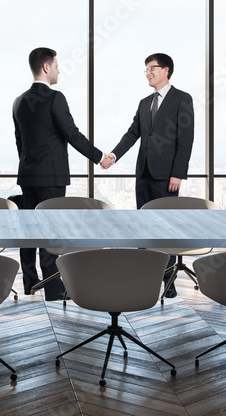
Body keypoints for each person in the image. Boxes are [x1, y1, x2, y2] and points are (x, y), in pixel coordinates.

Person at [13, 47, 107, 301]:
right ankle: (53, 289)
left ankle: (30, 282)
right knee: (49, 231)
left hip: (28, 174)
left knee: (28, 231)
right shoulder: (55, 98)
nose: (58, 70)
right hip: (51, 177)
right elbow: (72, 134)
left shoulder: (19, 101)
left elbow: (19, 141)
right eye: (56, 65)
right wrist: (99, 157)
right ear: (46, 67)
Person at [102, 52, 194, 297]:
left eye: (152, 68)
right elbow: (133, 133)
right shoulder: (144, 103)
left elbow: (186, 140)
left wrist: (178, 174)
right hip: (143, 172)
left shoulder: (182, 99)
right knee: (143, 226)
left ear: (166, 70)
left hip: (167, 176)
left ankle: (169, 282)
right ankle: (145, 278)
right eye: (145, 69)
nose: (148, 73)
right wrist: (113, 155)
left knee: (167, 228)